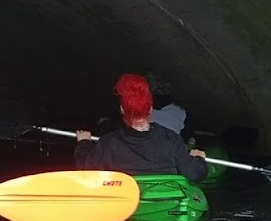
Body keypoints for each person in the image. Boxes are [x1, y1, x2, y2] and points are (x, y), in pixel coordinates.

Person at [73, 74, 208, 178]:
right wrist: (198, 159)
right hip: (162, 204)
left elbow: (86, 172)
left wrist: (84, 143)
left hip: (127, 205)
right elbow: (195, 174)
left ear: (122, 109)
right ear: (150, 109)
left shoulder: (107, 144)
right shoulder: (172, 139)